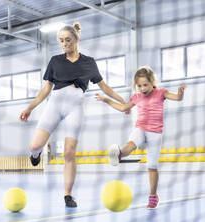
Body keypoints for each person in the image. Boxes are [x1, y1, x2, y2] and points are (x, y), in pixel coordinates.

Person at [19, 23, 124, 207]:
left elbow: (104, 86)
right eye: (60, 40)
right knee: (34, 145)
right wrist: (30, 107)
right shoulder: (55, 61)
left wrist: (121, 100)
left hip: (76, 107)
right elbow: (46, 89)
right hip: (55, 105)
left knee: (69, 153)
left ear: (76, 39)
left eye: (67, 40)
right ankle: (36, 154)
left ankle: (68, 195)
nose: (64, 44)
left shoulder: (89, 62)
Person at [95, 66, 185, 209]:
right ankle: (119, 154)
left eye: (145, 85)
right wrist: (106, 100)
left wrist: (180, 93)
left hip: (155, 134)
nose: (142, 88)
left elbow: (177, 98)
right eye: (139, 86)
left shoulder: (161, 93)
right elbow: (123, 108)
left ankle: (153, 196)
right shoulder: (136, 97)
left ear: (152, 82)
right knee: (131, 144)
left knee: (152, 166)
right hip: (141, 128)